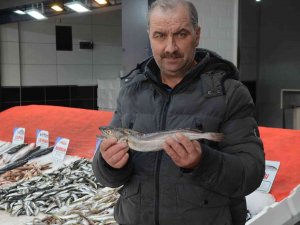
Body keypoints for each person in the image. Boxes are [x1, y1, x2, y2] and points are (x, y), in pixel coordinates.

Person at [92, 0, 265, 224]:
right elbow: (106, 176)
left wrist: (203, 162)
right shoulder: (131, 90)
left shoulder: (229, 92)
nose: (170, 47)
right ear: (149, 36)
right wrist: (108, 164)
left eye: (181, 34)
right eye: (160, 35)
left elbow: (250, 173)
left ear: (197, 34)